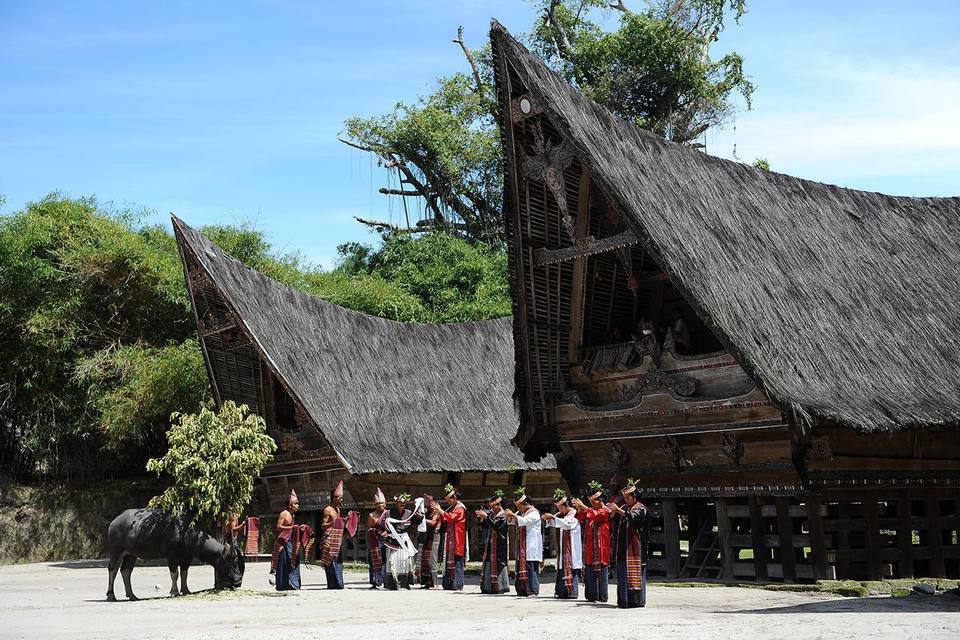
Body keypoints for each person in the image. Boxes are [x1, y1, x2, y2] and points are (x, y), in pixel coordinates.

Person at [607, 479, 650, 608]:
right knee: (622, 572)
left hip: (636, 547)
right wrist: (613, 512)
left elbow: (633, 517)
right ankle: (623, 601)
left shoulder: (641, 508)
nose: (625, 500)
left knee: (635, 572)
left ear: (634, 497)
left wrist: (618, 510)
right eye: (624, 497)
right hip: (622, 547)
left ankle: (637, 601)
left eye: (627, 497)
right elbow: (612, 518)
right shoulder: (624, 507)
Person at [573, 480, 611, 603]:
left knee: (601, 570)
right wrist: (579, 508)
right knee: (589, 570)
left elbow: (594, 515)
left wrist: (584, 506)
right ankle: (591, 595)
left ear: (600, 501)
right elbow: (580, 517)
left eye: (593, 501)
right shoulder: (590, 510)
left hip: (601, 547)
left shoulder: (605, 510)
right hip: (590, 547)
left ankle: (602, 595)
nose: (592, 504)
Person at [543, 488, 582, 599]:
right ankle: (562, 592)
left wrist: (553, 518)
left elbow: (567, 524)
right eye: (558, 508)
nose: (559, 510)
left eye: (561, 507)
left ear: (567, 506)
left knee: (572, 567)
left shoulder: (574, 514)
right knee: (561, 567)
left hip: (572, 548)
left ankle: (572, 592)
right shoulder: (561, 515)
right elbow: (555, 523)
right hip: (563, 548)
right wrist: (548, 519)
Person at [503, 486, 542, 597]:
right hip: (523, 546)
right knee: (522, 566)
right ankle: (522, 589)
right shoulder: (522, 512)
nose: (519, 509)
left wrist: (514, 515)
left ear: (526, 504)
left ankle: (532, 590)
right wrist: (509, 516)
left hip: (531, 545)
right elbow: (512, 522)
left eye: (520, 506)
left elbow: (524, 521)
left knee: (531, 568)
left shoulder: (534, 513)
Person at [434, 483, 467, 591]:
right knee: (449, 559)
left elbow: (451, 517)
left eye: (449, 500)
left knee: (457, 561)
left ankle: (457, 584)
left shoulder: (460, 508)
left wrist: (440, 510)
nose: (448, 502)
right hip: (451, 538)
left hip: (457, 538)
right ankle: (448, 584)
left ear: (455, 498)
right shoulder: (452, 507)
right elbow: (445, 518)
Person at [476, 489, 509, 594]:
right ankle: (488, 587)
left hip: (499, 543)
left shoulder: (503, 515)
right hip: (491, 542)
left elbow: (496, 525)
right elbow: (487, 525)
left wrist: (486, 516)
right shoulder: (492, 514)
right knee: (488, 563)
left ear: (498, 505)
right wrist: (482, 519)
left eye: (493, 507)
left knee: (499, 563)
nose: (491, 509)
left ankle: (500, 587)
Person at [384, 493, 417, 590]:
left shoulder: (409, 513)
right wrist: (384, 531)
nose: (402, 503)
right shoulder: (388, 513)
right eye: (400, 502)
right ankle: (392, 584)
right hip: (392, 541)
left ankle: (404, 584)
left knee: (405, 562)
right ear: (396, 502)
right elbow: (382, 525)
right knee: (392, 561)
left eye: (404, 502)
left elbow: (415, 524)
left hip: (404, 541)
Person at [271, 489, 301, 591]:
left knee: (292, 561)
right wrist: (291, 528)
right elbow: (278, 527)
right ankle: (281, 584)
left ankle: (292, 583)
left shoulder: (293, 515)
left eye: (297, 504)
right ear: (290, 505)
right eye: (295, 504)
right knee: (283, 563)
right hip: (282, 542)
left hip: (290, 541)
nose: (297, 506)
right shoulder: (284, 514)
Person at [320, 481, 347, 589]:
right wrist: (333, 523)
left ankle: (338, 584)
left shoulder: (338, 509)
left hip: (337, 539)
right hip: (329, 538)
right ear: (334, 497)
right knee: (329, 562)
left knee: (337, 560)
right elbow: (322, 525)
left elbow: (338, 522)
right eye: (340, 498)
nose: (341, 500)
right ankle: (331, 584)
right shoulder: (328, 510)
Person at [367, 488, 388, 589]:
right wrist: (376, 532)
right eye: (378, 503)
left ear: (385, 503)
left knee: (384, 560)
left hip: (385, 540)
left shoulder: (388, 514)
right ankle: (375, 581)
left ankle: (382, 580)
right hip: (375, 540)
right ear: (375, 505)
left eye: (382, 503)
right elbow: (370, 528)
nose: (380, 505)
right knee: (373, 561)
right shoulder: (371, 515)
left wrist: (386, 533)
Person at [418, 495, 440, 589]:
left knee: (432, 558)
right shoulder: (427, 511)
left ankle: (435, 583)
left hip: (434, 536)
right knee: (425, 558)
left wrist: (423, 519)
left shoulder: (437, 510)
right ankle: (427, 582)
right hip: (428, 536)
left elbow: (433, 523)